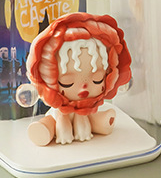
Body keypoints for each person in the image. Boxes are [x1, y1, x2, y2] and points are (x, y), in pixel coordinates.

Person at [26, 13, 131, 146]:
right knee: (53, 121)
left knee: (92, 118)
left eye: (97, 80)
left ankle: (101, 122)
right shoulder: (57, 104)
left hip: (90, 118)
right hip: (57, 116)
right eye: (67, 83)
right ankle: (44, 129)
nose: (84, 88)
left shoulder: (89, 107)